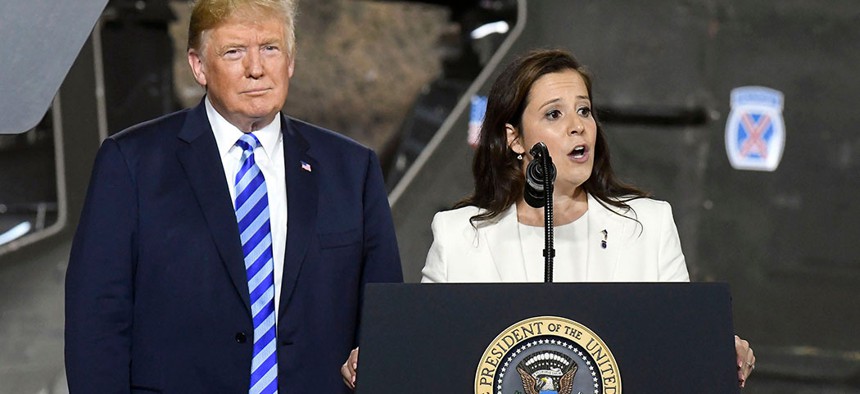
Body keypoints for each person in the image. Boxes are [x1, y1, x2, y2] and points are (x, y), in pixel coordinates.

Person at [341, 49, 755, 389]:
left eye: (584, 111)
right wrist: (382, 359)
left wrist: (718, 353)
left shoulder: (647, 226)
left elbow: (679, 346)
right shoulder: (459, 235)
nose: (578, 127)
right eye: (554, 115)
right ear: (515, 139)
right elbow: (430, 352)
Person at [64, 0, 402, 393]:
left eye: (270, 49)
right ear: (199, 66)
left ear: (290, 61)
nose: (256, 68)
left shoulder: (352, 169)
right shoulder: (131, 164)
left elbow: (386, 319)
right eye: (234, 52)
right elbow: (97, 320)